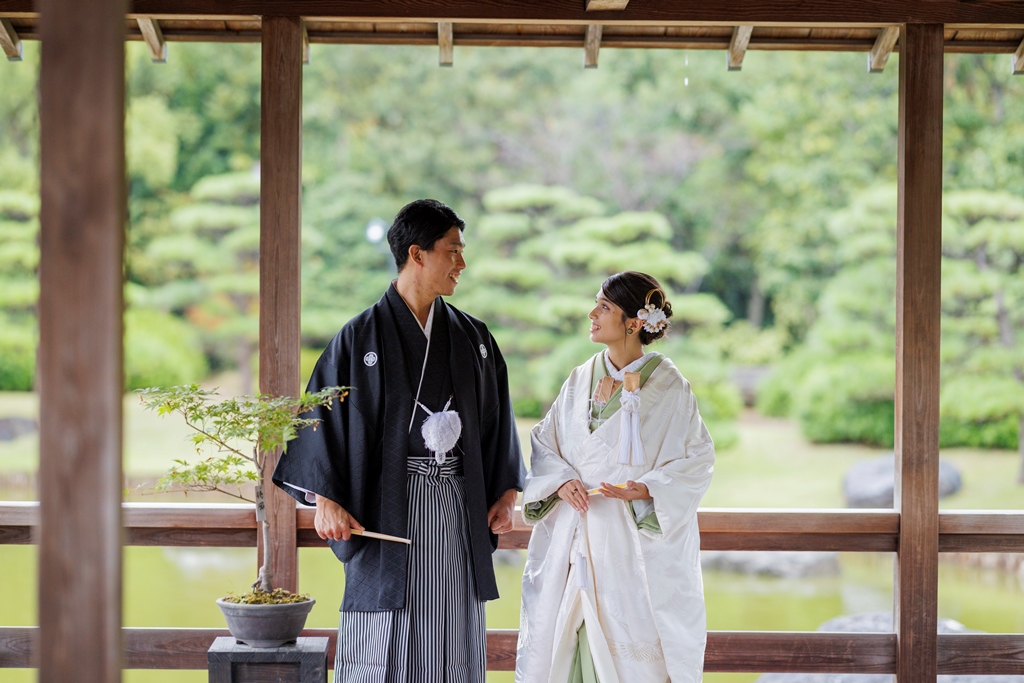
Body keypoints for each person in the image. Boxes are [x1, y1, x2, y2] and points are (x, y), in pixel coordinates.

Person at [273, 198, 525, 683]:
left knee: (452, 631)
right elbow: (319, 420)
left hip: (455, 506)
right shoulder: (358, 338)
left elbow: (496, 420)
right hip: (386, 506)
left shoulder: (474, 337)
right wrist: (325, 497)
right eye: (452, 251)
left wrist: (505, 490)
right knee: (382, 640)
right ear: (417, 254)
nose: (462, 263)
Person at [516, 271, 715, 683]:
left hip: (629, 544)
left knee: (629, 656)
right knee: (565, 647)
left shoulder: (670, 388)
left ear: (634, 322)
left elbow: (697, 457)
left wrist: (648, 488)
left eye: (604, 307)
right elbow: (544, 441)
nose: (592, 313)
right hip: (575, 538)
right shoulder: (580, 377)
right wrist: (560, 480)